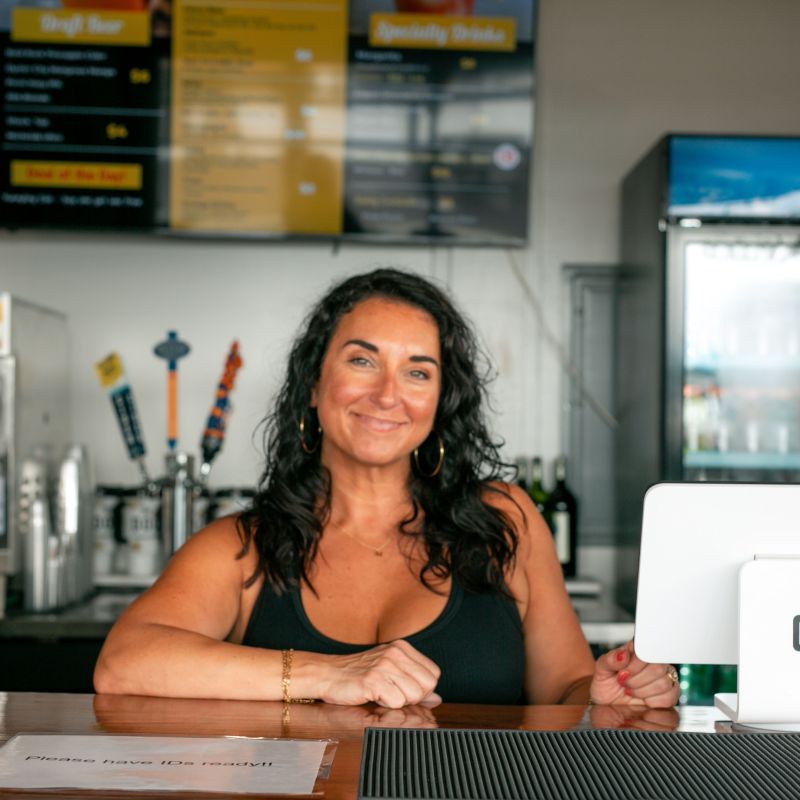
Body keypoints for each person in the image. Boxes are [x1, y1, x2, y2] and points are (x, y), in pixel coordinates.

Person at [94, 268, 680, 709]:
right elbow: (122, 665)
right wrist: (331, 675)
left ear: (439, 403)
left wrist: (607, 693)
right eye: (362, 361)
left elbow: (566, 690)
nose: (388, 394)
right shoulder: (241, 545)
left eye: (418, 372)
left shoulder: (507, 520)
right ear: (314, 388)